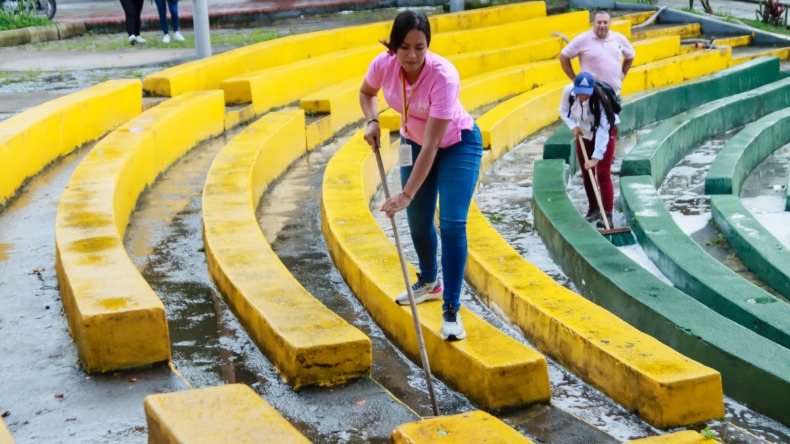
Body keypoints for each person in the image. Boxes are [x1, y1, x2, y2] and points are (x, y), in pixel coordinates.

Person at [359, 10, 483, 341]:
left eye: (420, 47)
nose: (412, 56)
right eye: (404, 47)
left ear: (428, 45)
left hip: (456, 144)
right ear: (393, 46)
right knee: (417, 220)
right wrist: (372, 121)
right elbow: (366, 93)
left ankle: (452, 309)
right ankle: (430, 281)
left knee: (452, 223)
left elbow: (433, 145)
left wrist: (405, 194)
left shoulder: (444, 76)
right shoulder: (382, 65)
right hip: (414, 141)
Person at [559, 72, 619, 224]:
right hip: (584, 132)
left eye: (586, 94)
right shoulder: (569, 92)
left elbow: (603, 130)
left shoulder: (601, 99)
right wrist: (573, 126)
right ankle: (594, 209)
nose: (583, 96)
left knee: (603, 173)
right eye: (580, 93)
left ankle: (607, 215)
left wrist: (595, 157)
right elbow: (564, 111)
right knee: (587, 171)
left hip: (606, 131)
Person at [559, 10, 635, 96]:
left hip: (614, 95)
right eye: (599, 22)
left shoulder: (619, 38)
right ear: (593, 23)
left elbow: (630, 55)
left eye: (605, 22)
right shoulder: (583, 39)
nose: (602, 25)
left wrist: (623, 73)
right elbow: (563, 56)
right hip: (592, 95)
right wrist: (575, 79)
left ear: (610, 23)